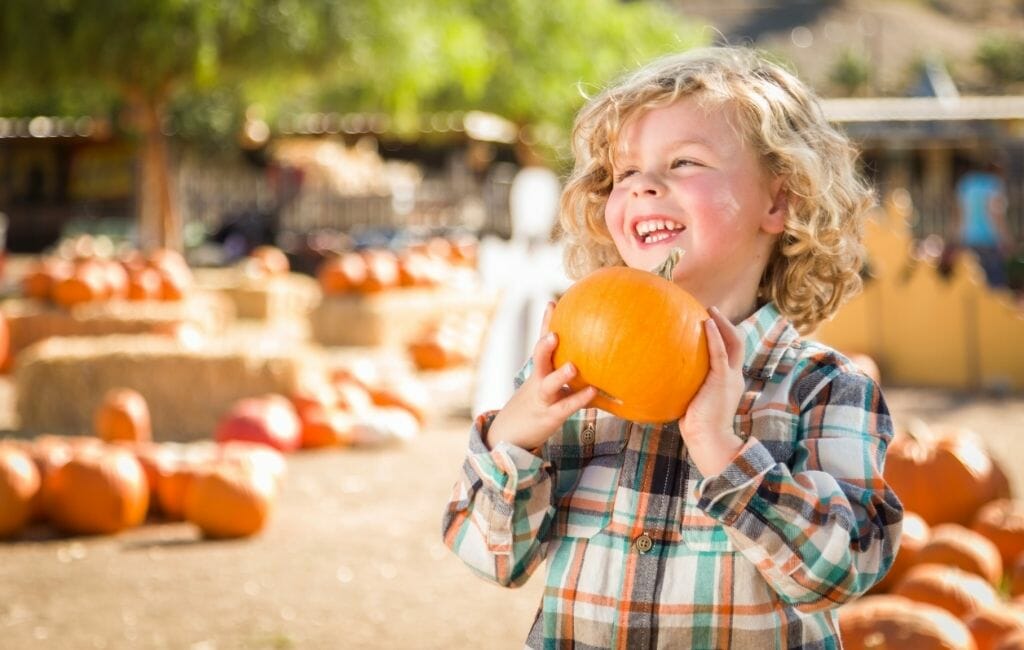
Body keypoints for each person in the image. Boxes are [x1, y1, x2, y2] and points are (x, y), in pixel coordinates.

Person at [442, 46, 903, 649]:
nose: (643, 188)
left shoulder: (825, 387)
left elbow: (842, 572)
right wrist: (514, 436)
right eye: (623, 173)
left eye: (683, 162)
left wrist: (724, 450)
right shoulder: (568, 375)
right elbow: (491, 558)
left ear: (778, 201)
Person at [951, 156, 1014, 287]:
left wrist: (955, 238)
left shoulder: (966, 183)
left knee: (973, 281)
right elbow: (996, 215)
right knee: (994, 285)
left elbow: (959, 214)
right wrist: (1006, 240)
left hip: (968, 239)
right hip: (989, 240)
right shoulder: (994, 184)